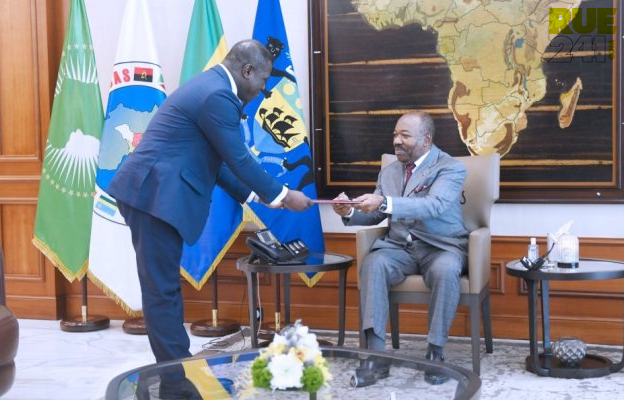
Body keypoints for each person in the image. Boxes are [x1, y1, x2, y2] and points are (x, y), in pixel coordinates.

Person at [108, 39, 311, 396]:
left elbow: (217, 163)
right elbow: (239, 158)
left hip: (156, 194)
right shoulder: (218, 95)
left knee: (164, 290)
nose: (263, 90)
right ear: (247, 70)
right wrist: (282, 194)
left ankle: (177, 376)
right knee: (162, 292)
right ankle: (176, 385)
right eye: (263, 80)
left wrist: (256, 197)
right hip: (153, 195)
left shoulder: (213, 87)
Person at [333, 111, 468, 386]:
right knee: (373, 263)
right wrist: (349, 211)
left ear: (426, 140)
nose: (396, 141)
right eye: (395, 134)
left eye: (405, 135)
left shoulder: (450, 168)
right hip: (399, 248)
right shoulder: (389, 171)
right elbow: (375, 215)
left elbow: (434, 205)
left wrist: (385, 203)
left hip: (440, 246)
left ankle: (435, 352)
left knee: (445, 270)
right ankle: (375, 357)